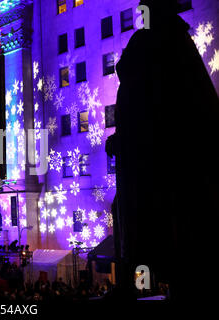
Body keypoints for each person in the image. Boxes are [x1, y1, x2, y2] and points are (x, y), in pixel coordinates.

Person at [107, 0, 219, 301]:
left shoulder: (167, 41)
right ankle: (140, 285)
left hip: (161, 159)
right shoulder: (154, 40)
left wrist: (135, 138)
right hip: (141, 154)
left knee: (159, 226)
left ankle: (158, 285)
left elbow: (174, 104)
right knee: (137, 224)